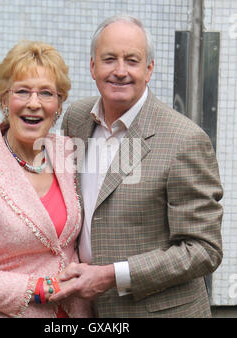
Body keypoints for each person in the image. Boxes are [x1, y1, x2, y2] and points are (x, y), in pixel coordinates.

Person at [50, 14, 224, 317]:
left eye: (132, 60)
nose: (120, 71)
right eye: (109, 59)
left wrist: (112, 276)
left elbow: (204, 249)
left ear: (149, 69)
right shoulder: (77, 119)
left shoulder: (184, 140)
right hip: (88, 311)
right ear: (92, 66)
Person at [0, 40, 92, 318]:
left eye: (46, 93)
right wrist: (41, 288)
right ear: (4, 99)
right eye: (22, 91)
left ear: (59, 104)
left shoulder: (69, 153)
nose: (33, 104)